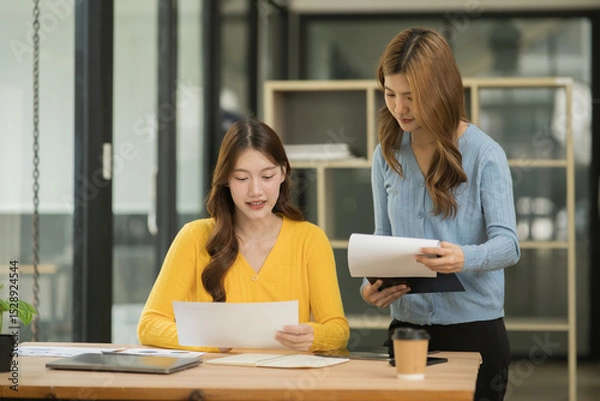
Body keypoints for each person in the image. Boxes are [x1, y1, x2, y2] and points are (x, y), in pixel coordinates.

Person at [361, 27, 520, 401]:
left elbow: (509, 245)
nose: (399, 108)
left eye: (411, 97)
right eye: (390, 94)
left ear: (440, 91)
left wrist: (464, 257)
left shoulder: (485, 154)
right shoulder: (386, 154)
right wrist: (371, 288)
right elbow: (382, 236)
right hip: (407, 332)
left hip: (475, 331)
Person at [138, 117, 349, 353]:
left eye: (267, 177)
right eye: (241, 178)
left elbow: (338, 330)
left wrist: (314, 335)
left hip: (283, 384)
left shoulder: (310, 239)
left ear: (283, 173)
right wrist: (209, 339)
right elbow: (149, 325)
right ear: (226, 179)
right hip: (216, 385)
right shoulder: (194, 237)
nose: (255, 191)